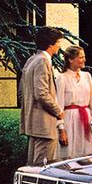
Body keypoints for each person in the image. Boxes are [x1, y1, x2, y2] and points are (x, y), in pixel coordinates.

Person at [18, 27, 64, 166]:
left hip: (33, 123)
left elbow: (21, 91)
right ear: (51, 44)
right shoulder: (43, 61)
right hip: (44, 125)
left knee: (32, 166)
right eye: (58, 42)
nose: (59, 46)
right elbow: (41, 93)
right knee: (42, 168)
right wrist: (58, 111)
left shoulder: (31, 59)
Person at [55, 45, 92, 160]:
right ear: (71, 59)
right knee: (70, 155)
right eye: (81, 57)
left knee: (88, 156)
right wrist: (61, 130)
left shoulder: (87, 76)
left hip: (86, 120)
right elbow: (59, 106)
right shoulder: (62, 78)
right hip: (70, 121)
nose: (84, 60)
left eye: (84, 57)